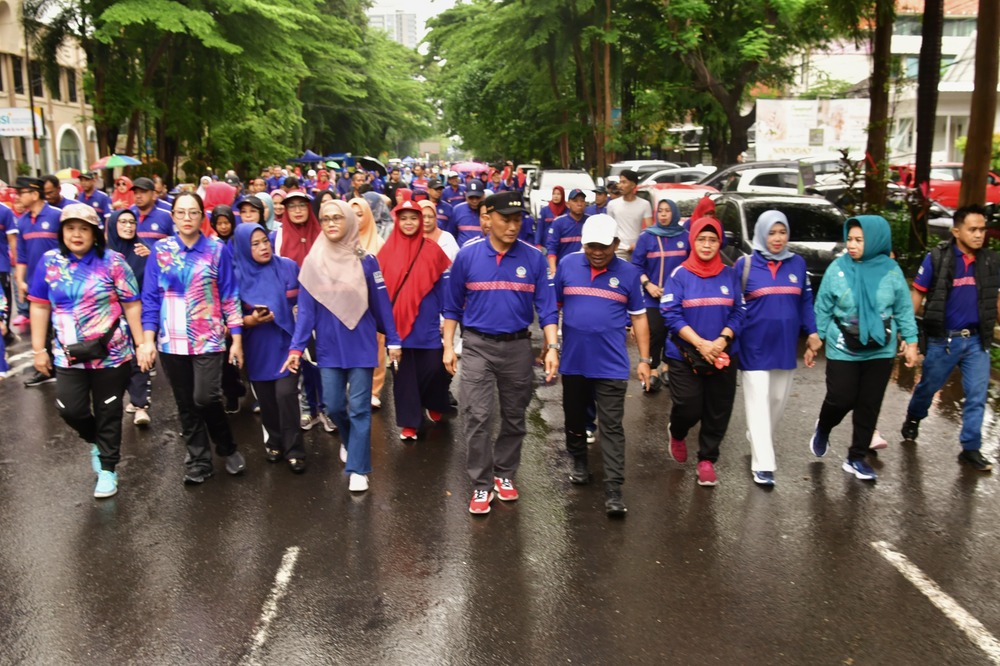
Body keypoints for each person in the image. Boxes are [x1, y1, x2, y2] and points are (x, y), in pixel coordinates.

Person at [442, 191, 560, 514]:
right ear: (487, 218)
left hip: (518, 347)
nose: (513, 226)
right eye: (506, 219)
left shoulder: (533, 258)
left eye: (518, 219)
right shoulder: (467, 257)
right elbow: (452, 306)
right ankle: (481, 484)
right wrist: (449, 347)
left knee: (514, 414)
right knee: (477, 415)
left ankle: (504, 474)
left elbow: (547, 309)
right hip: (478, 346)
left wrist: (551, 347)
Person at [281, 200, 402, 493]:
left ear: (348, 221)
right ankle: (349, 441)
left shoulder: (366, 260)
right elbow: (306, 311)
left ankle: (359, 469)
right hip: (328, 347)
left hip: (361, 344)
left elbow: (381, 304)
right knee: (334, 406)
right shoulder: (313, 262)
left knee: (359, 408)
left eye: (337, 217)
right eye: (325, 219)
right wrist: (296, 348)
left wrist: (394, 340)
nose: (331, 223)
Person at [28, 204, 144, 498]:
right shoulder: (49, 262)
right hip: (68, 355)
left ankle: (107, 468)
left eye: (84, 229)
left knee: (109, 411)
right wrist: (38, 349)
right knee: (71, 409)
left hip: (112, 354)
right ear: (61, 232)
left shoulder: (113, 262)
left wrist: (142, 343)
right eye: (70, 228)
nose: (77, 234)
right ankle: (95, 440)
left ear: (95, 233)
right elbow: (40, 306)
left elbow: (131, 304)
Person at [138, 191, 248, 486]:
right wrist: (147, 341)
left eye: (193, 213)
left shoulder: (216, 250)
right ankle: (198, 459)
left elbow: (229, 296)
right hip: (171, 343)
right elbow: (150, 299)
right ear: (172, 217)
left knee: (206, 396)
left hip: (208, 340)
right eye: (181, 213)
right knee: (186, 403)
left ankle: (226, 447)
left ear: (203, 217)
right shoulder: (160, 251)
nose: (187, 218)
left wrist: (236, 338)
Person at [809, 215, 919, 481]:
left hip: (880, 348)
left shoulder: (891, 271)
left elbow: (904, 309)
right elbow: (822, 307)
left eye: (859, 240)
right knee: (841, 398)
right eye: (850, 239)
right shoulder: (837, 269)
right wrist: (816, 338)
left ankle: (856, 458)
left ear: (875, 241)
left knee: (869, 404)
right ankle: (824, 427)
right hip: (842, 346)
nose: (852, 245)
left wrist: (912, 341)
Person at [556, 214, 650, 516]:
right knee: (574, 420)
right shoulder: (568, 266)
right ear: (584, 244)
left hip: (611, 366)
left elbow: (638, 317)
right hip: (573, 363)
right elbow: (553, 306)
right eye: (591, 246)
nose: (597, 252)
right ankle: (580, 462)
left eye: (604, 247)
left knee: (611, 427)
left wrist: (646, 360)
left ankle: (613, 489)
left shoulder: (629, 274)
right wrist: (551, 346)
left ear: (616, 244)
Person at [901, 204, 997, 471]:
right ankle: (914, 417)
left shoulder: (990, 261)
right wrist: (908, 335)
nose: (979, 235)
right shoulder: (938, 258)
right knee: (928, 389)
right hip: (943, 341)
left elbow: (995, 299)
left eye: (983, 229)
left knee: (977, 394)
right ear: (956, 231)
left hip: (977, 341)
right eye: (973, 229)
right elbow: (918, 295)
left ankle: (970, 448)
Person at [735, 211, 820, 486]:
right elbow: (734, 304)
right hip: (753, 346)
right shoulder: (745, 265)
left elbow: (806, 301)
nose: (777, 238)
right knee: (758, 402)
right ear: (761, 233)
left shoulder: (797, 264)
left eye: (782, 232)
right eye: (772, 232)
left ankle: (757, 437)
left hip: (784, 346)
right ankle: (763, 465)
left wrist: (813, 333)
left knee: (776, 403)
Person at [661, 216, 744, 487]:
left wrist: (721, 340)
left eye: (712, 240)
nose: (707, 245)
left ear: (719, 243)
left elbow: (739, 312)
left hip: (722, 354)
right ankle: (678, 429)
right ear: (692, 240)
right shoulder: (679, 275)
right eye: (701, 239)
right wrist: (700, 344)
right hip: (685, 354)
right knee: (688, 406)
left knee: (718, 409)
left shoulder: (729, 274)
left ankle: (707, 459)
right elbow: (671, 315)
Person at [232, 223, 306, 472]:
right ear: (243, 247)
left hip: (287, 343)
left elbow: (301, 306)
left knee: (286, 394)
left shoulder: (287, 266)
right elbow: (228, 317)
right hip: (257, 347)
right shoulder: (235, 275)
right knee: (266, 399)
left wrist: (300, 339)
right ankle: (274, 441)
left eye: (265, 240)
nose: (264, 247)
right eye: (255, 244)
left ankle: (295, 449)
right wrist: (250, 320)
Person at [379, 199, 453, 441]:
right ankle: (410, 422)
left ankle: (434, 401)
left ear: (421, 221)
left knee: (434, 368)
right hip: (397, 326)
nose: (409, 223)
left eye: (414, 218)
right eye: (404, 218)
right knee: (405, 377)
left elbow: (444, 287)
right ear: (396, 220)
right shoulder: (387, 251)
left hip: (428, 323)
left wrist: (446, 316)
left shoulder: (432, 249)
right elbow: (380, 292)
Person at [271, 190, 327, 430]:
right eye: (291, 206)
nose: (296, 210)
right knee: (300, 357)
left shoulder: (322, 233)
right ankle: (308, 408)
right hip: (293, 306)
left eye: (301, 205)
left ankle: (327, 407)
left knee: (322, 357)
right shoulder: (279, 235)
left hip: (324, 302)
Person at [631, 198, 688, 392]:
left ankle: (668, 364)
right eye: (660, 211)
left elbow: (690, 267)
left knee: (674, 332)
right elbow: (636, 266)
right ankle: (653, 368)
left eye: (667, 211)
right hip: (652, 295)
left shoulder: (685, 237)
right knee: (654, 331)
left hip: (678, 297)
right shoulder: (647, 236)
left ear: (674, 213)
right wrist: (648, 285)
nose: (663, 215)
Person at [106, 208, 154, 426]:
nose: (128, 226)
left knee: (139, 359)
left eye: (132, 222)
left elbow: (156, 279)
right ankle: (131, 399)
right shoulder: (103, 254)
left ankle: (141, 404)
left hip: (139, 315)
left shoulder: (143, 250)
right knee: (118, 365)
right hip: (110, 320)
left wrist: (152, 256)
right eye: (122, 222)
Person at [14, 176, 62, 387]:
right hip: (36, 283)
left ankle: (70, 367)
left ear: (34, 194)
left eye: (21, 192)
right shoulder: (23, 221)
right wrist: (20, 281)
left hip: (61, 282)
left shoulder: (57, 216)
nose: (17, 196)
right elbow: (22, 255)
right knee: (40, 327)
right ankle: (45, 368)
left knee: (62, 326)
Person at [348, 196, 389, 410]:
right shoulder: (341, 241)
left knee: (376, 346)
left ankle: (374, 390)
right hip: (347, 305)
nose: (355, 218)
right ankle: (353, 387)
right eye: (351, 214)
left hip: (373, 305)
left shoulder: (379, 244)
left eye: (360, 214)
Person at [606, 169, 652, 259]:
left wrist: (638, 244)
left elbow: (649, 229)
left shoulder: (645, 204)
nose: (620, 186)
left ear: (633, 185)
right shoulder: (612, 204)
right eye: (620, 182)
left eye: (624, 182)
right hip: (618, 250)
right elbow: (609, 228)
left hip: (638, 249)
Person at [546, 188, 589, 275]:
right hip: (564, 270)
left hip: (586, 270)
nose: (579, 204)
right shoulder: (559, 222)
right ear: (568, 204)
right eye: (575, 201)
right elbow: (552, 248)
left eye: (582, 201)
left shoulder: (590, 221)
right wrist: (553, 270)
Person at [130, 177, 174, 248]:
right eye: (135, 192)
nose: (138, 196)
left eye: (143, 192)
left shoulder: (167, 217)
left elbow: (176, 245)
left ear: (154, 195)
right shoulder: (129, 216)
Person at [451, 180, 487, 246]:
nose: (474, 201)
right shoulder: (457, 210)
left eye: (478, 197)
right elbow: (452, 235)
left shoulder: (489, 211)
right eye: (471, 197)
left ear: (484, 195)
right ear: (465, 195)